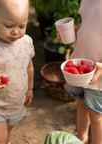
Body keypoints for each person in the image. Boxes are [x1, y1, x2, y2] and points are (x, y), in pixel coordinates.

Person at [0, 0, 35, 143]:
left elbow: (29, 67)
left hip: (16, 102)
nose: (16, 31)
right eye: (9, 26)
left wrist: (30, 89)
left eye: (22, 26)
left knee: (9, 131)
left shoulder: (26, 41)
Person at [56, 1, 102, 144]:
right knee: (80, 103)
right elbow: (89, 25)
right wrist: (75, 32)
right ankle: (81, 138)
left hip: (98, 73)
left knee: (96, 116)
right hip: (80, 65)